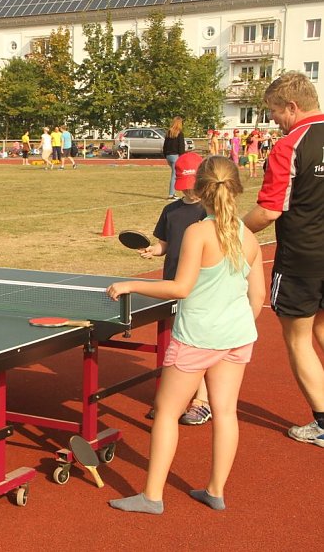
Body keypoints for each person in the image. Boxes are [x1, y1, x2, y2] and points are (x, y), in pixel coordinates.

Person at [107, 155, 265, 514]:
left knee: (166, 411)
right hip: (237, 337)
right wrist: (236, 328)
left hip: (196, 336)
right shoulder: (247, 235)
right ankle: (215, 490)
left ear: (201, 188)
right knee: (225, 412)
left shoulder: (198, 233)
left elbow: (180, 287)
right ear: (235, 187)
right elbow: (256, 296)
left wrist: (130, 284)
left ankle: (152, 497)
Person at [242, 71, 324, 448]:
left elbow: (269, 211)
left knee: (299, 340)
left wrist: (232, 230)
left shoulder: (290, 145)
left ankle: (323, 423)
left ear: (292, 106)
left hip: (302, 257)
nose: (273, 119)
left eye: (275, 111)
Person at [137, 152, 210, 424]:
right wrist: (154, 250)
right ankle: (174, 399)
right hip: (172, 283)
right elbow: (165, 244)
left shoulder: (209, 211)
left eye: (193, 182)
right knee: (178, 342)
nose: (189, 188)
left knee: (199, 344)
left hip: (201, 285)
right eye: (185, 183)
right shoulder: (171, 210)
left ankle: (201, 400)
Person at [163, 116, 186, 199]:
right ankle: (171, 194)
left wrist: (165, 155)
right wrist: (182, 157)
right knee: (174, 175)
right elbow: (181, 146)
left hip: (169, 156)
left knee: (175, 174)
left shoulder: (168, 133)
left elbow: (165, 146)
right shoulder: (180, 133)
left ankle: (174, 193)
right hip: (175, 156)